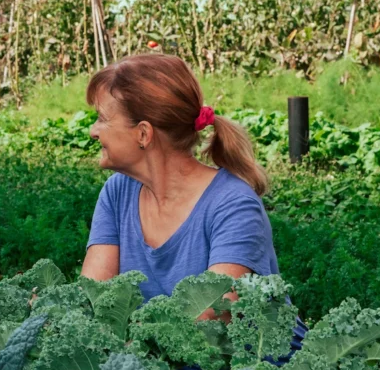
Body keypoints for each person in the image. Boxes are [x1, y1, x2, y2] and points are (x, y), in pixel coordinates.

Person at [81, 53, 279, 316]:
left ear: (143, 133)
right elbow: (95, 296)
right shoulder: (118, 191)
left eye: (102, 118)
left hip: (245, 355)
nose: (93, 131)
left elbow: (210, 318)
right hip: (144, 354)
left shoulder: (234, 205)